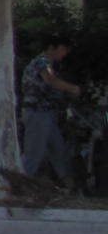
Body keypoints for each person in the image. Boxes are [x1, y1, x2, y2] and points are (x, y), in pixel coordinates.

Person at [18, 39, 81, 186]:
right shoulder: (43, 62)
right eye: (63, 49)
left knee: (58, 150)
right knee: (33, 154)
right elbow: (50, 80)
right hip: (37, 113)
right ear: (52, 47)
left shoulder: (46, 64)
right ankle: (18, 184)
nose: (65, 53)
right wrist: (72, 88)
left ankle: (69, 185)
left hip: (47, 114)